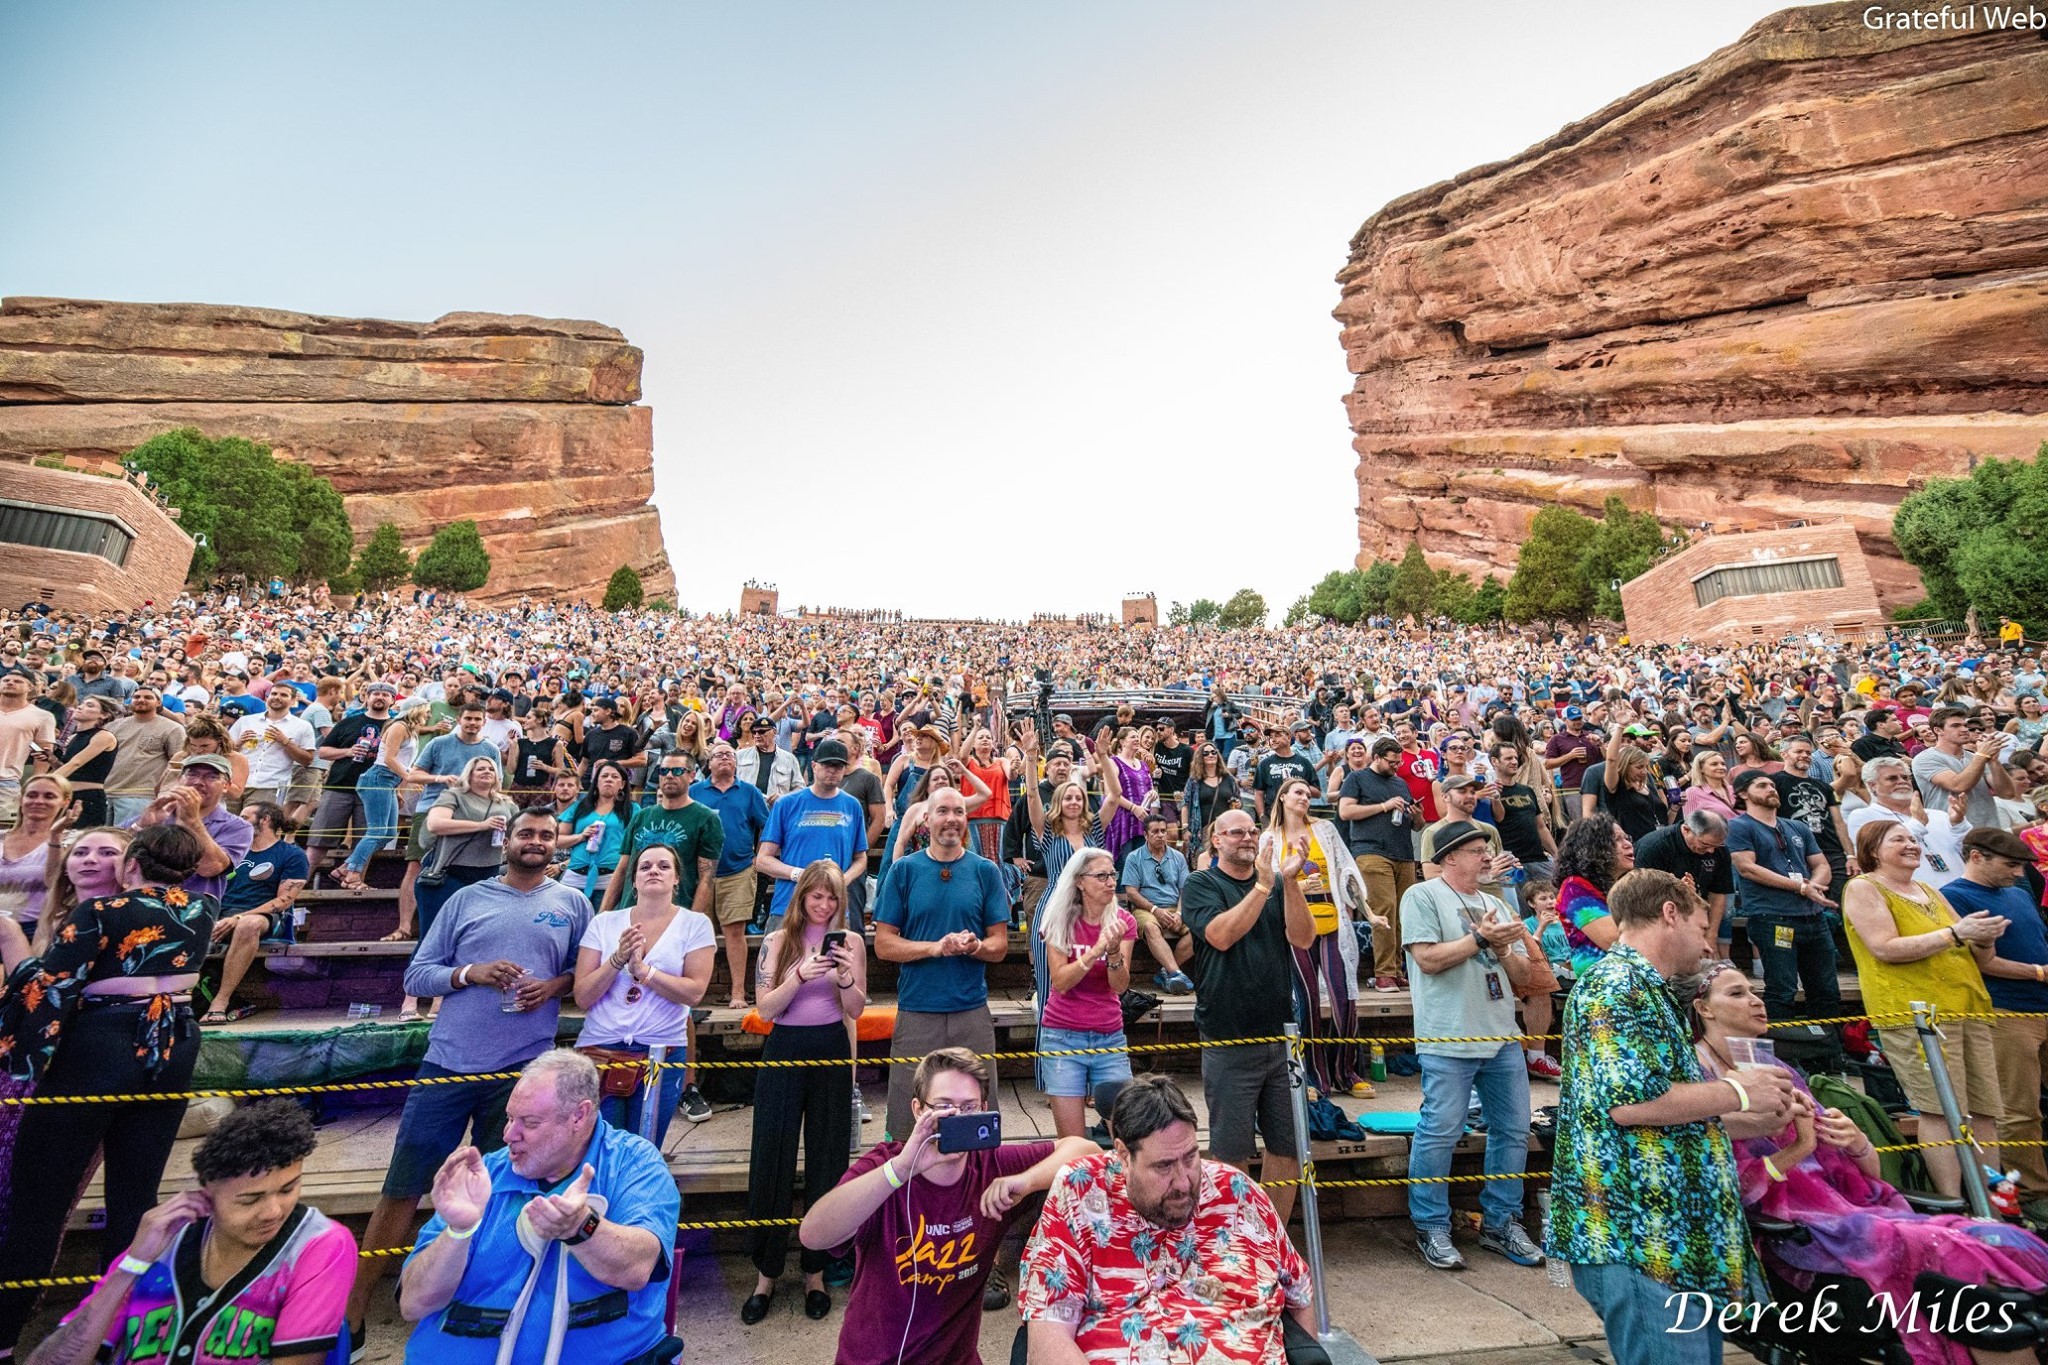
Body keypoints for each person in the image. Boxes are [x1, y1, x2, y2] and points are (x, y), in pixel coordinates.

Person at [1686, 959, 2048, 1365]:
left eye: (1755, 991)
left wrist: (1857, 1143)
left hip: (1853, 1213)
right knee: (1966, 1272)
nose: (1756, 1001)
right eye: (1738, 994)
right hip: (1798, 1234)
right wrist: (1799, 1150)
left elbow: (1869, 1175)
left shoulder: (1779, 1069)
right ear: (1704, 1008)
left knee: (1987, 1245)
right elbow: (1732, 1192)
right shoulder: (1700, 1084)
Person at [345, 808, 591, 1353]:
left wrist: (552, 988)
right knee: (402, 1189)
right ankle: (352, 1316)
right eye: (526, 833)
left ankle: (480, 1307)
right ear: (507, 839)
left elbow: (582, 973)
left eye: (546, 836)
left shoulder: (572, 903)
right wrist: (468, 974)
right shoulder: (466, 899)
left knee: (503, 1194)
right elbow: (417, 973)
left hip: (521, 1075)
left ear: (557, 845)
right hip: (448, 1065)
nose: (535, 842)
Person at [1546, 867, 1799, 1365]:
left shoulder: (1646, 989)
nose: (1707, 945)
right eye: (1702, 929)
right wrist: (1736, 1090)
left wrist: (1759, 1118)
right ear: (1669, 914)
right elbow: (1630, 1105)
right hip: (1639, 1238)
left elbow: (1662, 1114)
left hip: (1670, 1241)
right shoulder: (1616, 986)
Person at [0, 824, 219, 1354]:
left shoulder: (99, 913)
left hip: (104, 1045)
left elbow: (46, 989)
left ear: (131, 863)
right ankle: (116, 1330)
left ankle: (3, 1335)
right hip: (174, 1045)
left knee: (40, 1194)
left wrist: (10, 941)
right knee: (135, 1193)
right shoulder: (202, 910)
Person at [796, 1046, 1096, 1365]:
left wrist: (1025, 1182)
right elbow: (813, 1236)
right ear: (917, 1110)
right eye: (943, 1107)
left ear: (983, 1109)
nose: (956, 1118)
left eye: (968, 1107)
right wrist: (899, 1170)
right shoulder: (885, 1165)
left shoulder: (992, 1167)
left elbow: (1085, 1149)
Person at [397, 1050, 680, 1365]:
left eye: (529, 1123)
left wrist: (582, 1228)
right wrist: (458, 1232)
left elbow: (638, 1266)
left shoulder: (634, 1163)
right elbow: (413, 1304)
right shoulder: (484, 1175)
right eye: (509, 1118)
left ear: (579, 1116)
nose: (508, 1136)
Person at [26, 1100, 357, 1365]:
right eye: (250, 1199)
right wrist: (131, 1264)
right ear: (206, 1191)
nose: (273, 1211)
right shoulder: (161, 1244)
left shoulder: (318, 1244)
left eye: (288, 1189)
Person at [1017, 1075, 1316, 1365]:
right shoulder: (1081, 1194)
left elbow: (1300, 1295)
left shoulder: (1237, 1193)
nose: (1184, 1182)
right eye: (1164, 1166)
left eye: (1190, 1158)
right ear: (1123, 1155)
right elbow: (1048, 1341)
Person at [1401, 819, 1541, 1270]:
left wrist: (1501, 948)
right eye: (1478, 849)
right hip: (1448, 1034)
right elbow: (1426, 959)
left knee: (1515, 1130)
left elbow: (1522, 979)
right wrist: (1480, 937)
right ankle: (1432, 1226)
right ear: (1449, 857)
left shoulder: (1495, 902)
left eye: (1487, 849)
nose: (1486, 857)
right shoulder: (1421, 896)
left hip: (1500, 1033)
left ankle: (1502, 1222)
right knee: (1440, 1132)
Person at [1841, 819, 2005, 1199]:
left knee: (1983, 1110)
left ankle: (1996, 1203)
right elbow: (1884, 946)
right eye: (1898, 839)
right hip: (1917, 1013)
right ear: (1872, 850)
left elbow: (1971, 951)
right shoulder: (1864, 887)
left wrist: (1983, 938)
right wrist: (1955, 933)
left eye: (1913, 838)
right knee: (1940, 1110)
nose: (1911, 844)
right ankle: (1952, 1203)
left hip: (1968, 1008)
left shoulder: (1929, 889)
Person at [742, 860, 865, 1324]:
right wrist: (800, 976)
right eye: (817, 895)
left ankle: (815, 1271)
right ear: (802, 897)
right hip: (785, 1048)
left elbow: (855, 1007)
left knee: (827, 1158)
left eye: (832, 897)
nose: (824, 904)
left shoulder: (850, 943)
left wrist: (844, 978)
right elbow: (765, 1009)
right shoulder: (777, 940)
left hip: (830, 1047)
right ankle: (766, 1273)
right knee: (771, 1154)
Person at [1180, 809, 1312, 1233]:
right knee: (1231, 1151)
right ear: (1215, 840)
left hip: (1281, 1032)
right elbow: (1220, 935)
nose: (1248, 837)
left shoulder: (1274, 885)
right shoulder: (1202, 884)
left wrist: (1289, 882)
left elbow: (1303, 937)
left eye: (1253, 831)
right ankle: (1232, 1240)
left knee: (1289, 1147)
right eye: (1236, 832)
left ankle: (1270, 1238)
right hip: (1228, 1035)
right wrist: (1262, 885)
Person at [873, 786, 1009, 1142]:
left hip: (971, 1011)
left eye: (959, 812)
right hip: (917, 1010)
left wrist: (976, 945)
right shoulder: (904, 871)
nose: (952, 819)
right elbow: (884, 945)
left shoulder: (985, 871)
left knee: (978, 1121)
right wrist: (935, 948)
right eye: (943, 811)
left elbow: (999, 946)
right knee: (907, 1123)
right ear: (926, 819)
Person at [572, 842, 715, 1145]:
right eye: (645, 866)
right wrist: (617, 960)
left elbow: (694, 993)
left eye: (664, 866)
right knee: (600, 1148)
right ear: (633, 879)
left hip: (660, 1052)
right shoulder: (604, 922)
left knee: (644, 1148)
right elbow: (583, 996)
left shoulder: (695, 924)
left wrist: (645, 973)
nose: (654, 871)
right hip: (603, 1050)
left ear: (677, 879)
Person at [1263, 776, 1374, 1099]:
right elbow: (1267, 881)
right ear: (1282, 798)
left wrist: (1365, 908)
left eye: (1308, 794)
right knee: (1307, 999)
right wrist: (1293, 886)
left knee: (1344, 997)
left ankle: (1347, 1071)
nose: (1305, 798)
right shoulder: (1270, 837)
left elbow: (1347, 870)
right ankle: (1313, 1076)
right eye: (1297, 793)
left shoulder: (1325, 830)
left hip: (1331, 918)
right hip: (1296, 923)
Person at [1035, 846, 1136, 1139]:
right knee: (1072, 1142)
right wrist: (1095, 952)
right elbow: (1061, 981)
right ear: (1079, 881)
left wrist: (1114, 951)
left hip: (1109, 1035)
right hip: (1062, 1035)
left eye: (1112, 874)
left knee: (1127, 1135)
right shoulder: (1059, 920)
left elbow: (1120, 986)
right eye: (1101, 875)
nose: (1110, 882)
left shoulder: (1123, 922)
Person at [1726, 768, 1841, 1022]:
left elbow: (1821, 864)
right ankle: (1786, 1053)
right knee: (1783, 988)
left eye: (1772, 785)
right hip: (1773, 918)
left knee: (1827, 990)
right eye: (1762, 785)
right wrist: (1800, 887)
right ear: (1743, 793)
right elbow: (1747, 868)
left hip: (1813, 917)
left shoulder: (1797, 826)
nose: (1771, 789)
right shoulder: (1738, 826)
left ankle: (1831, 1052)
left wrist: (1815, 887)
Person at [202, 801, 308, 1023]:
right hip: (220, 912)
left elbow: (284, 900)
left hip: (267, 917)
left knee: (247, 925)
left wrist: (239, 917)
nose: (239, 821)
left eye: (245, 817)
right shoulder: (232, 850)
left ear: (265, 819)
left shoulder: (291, 854)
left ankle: (221, 1000)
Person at [754, 737, 868, 933]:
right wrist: (798, 874)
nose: (833, 770)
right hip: (789, 904)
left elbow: (861, 858)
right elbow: (763, 860)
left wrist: (844, 879)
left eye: (838, 766)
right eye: (827, 765)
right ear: (814, 766)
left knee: (833, 963)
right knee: (779, 962)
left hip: (832, 907)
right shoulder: (787, 804)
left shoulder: (852, 805)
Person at [693, 741, 772, 1008]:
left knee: (735, 932)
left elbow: (768, 827)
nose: (725, 758)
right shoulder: (695, 792)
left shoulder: (749, 792)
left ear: (737, 762)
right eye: (719, 755)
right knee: (697, 933)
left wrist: (757, 858)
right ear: (710, 763)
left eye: (730, 754)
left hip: (738, 870)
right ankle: (694, 991)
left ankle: (738, 992)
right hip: (701, 875)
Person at [1337, 736, 1418, 992]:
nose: (1396, 766)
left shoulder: (1401, 783)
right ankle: (1383, 973)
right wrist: (1384, 806)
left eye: (1399, 761)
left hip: (1403, 853)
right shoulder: (1357, 778)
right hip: (1370, 850)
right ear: (1377, 757)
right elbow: (1345, 812)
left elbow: (1418, 825)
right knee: (1384, 909)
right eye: (1392, 762)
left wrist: (1418, 816)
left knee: (1404, 914)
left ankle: (1396, 969)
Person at [601, 749, 720, 918]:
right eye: (664, 771)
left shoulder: (706, 818)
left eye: (677, 770)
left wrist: (692, 922)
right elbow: (622, 869)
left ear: (692, 776)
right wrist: (603, 914)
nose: (669, 775)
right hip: (631, 913)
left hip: (674, 916)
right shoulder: (642, 816)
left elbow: (706, 879)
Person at [415, 756, 521, 939]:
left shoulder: (506, 803)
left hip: (488, 875)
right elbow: (435, 824)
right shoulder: (453, 795)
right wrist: (482, 825)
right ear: (469, 774)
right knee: (436, 938)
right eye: (481, 769)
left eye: (491, 769)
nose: (487, 771)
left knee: (476, 938)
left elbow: (517, 832)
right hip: (450, 875)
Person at [306, 679, 397, 883]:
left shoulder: (396, 726)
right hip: (339, 787)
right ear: (366, 697)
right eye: (375, 693)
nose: (380, 697)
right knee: (317, 843)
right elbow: (323, 751)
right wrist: (347, 751)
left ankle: (353, 883)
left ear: (392, 700)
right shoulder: (349, 721)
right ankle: (293, 891)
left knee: (365, 843)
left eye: (385, 694)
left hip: (376, 791)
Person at [1117, 813, 1197, 994]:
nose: (1161, 835)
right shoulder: (1134, 857)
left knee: (1199, 930)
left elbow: (1185, 890)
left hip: (1174, 907)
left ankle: (1166, 972)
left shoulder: (1178, 857)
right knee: (1151, 928)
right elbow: (1131, 892)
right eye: (1155, 831)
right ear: (1146, 835)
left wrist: (1179, 913)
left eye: (1163, 831)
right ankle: (1176, 972)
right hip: (1146, 908)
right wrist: (1155, 909)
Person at [1555, 812, 1634, 977]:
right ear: (1594, 848)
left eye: (1626, 838)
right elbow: (1615, 941)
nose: (1627, 844)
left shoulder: (1620, 884)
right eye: (1616, 840)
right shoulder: (1574, 888)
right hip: (1603, 985)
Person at [1632, 811, 1733, 938]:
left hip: (1698, 911)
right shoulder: (1655, 846)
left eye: (1716, 846)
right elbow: (1640, 895)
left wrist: (1711, 934)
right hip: (1655, 916)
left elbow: (1718, 893)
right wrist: (1677, 891)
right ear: (1686, 830)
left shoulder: (1719, 849)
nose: (1711, 851)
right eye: (1705, 844)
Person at [1915, 706, 2016, 830]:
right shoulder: (1925, 758)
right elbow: (1958, 785)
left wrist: (1994, 762)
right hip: (1950, 831)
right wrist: (1981, 755)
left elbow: (2007, 793)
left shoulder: (1977, 757)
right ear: (1938, 730)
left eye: (1965, 725)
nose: (1964, 729)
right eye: (1955, 726)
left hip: (1988, 829)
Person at [105, 686, 187, 827]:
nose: (141, 700)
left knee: (128, 841)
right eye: (136, 697)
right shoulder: (113, 726)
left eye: (148, 697)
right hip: (105, 793)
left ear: (159, 703)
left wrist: (165, 795)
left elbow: (178, 764)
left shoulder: (172, 728)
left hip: (140, 795)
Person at [0, 773, 71, 932]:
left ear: (65, 802)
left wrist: (55, 836)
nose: (38, 801)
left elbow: (55, 882)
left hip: (34, 928)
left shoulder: (70, 842)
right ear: (20, 800)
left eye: (49, 796)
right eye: (32, 795)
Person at [229, 682, 316, 812]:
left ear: (293, 701)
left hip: (269, 785)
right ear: (267, 698)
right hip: (236, 782)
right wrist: (238, 743)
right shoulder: (246, 721)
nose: (277, 697)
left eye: (283, 695)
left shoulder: (302, 726)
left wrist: (285, 742)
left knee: (256, 828)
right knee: (226, 828)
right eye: (273, 694)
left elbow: (307, 760)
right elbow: (224, 752)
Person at [558, 760, 631, 894]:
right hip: (574, 878)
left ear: (623, 784)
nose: (609, 780)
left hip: (610, 880)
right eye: (604, 776)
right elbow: (557, 840)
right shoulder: (579, 807)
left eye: (614, 777)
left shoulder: (631, 810)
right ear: (596, 781)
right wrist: (581, 836)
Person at [48, 694, 118, 828]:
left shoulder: (103, 736)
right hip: (66, 796)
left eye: (89, 705)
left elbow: (76, 763)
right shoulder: (73, 737)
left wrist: (44, 782)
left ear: (103, 715)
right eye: (82, 704)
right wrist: (53, 762)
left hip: (88, 799)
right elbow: (69, 767)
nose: (80, 707)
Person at [0, 671, 57, 827]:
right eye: (6, 680)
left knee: (3, 834)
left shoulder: (42, 716)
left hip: (6, 782)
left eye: (18, 681)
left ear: (30, 687)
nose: (10, 683)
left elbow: (43, 752)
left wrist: (36, 783)